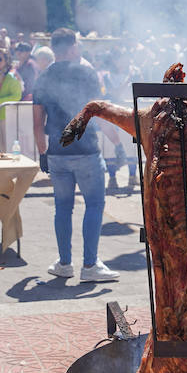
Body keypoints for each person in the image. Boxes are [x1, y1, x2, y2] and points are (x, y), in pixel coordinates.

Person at [33, 28, 117, 283]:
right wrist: (119, 145)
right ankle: (90, 265)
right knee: (94, 205)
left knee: (62, 207)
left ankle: (64, 263)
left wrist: (42, 153)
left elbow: (37, 123)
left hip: (57, 153)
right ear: (71, 48)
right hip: (86, 150)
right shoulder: (87, 73)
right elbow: (100, 113)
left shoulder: (43, 78)